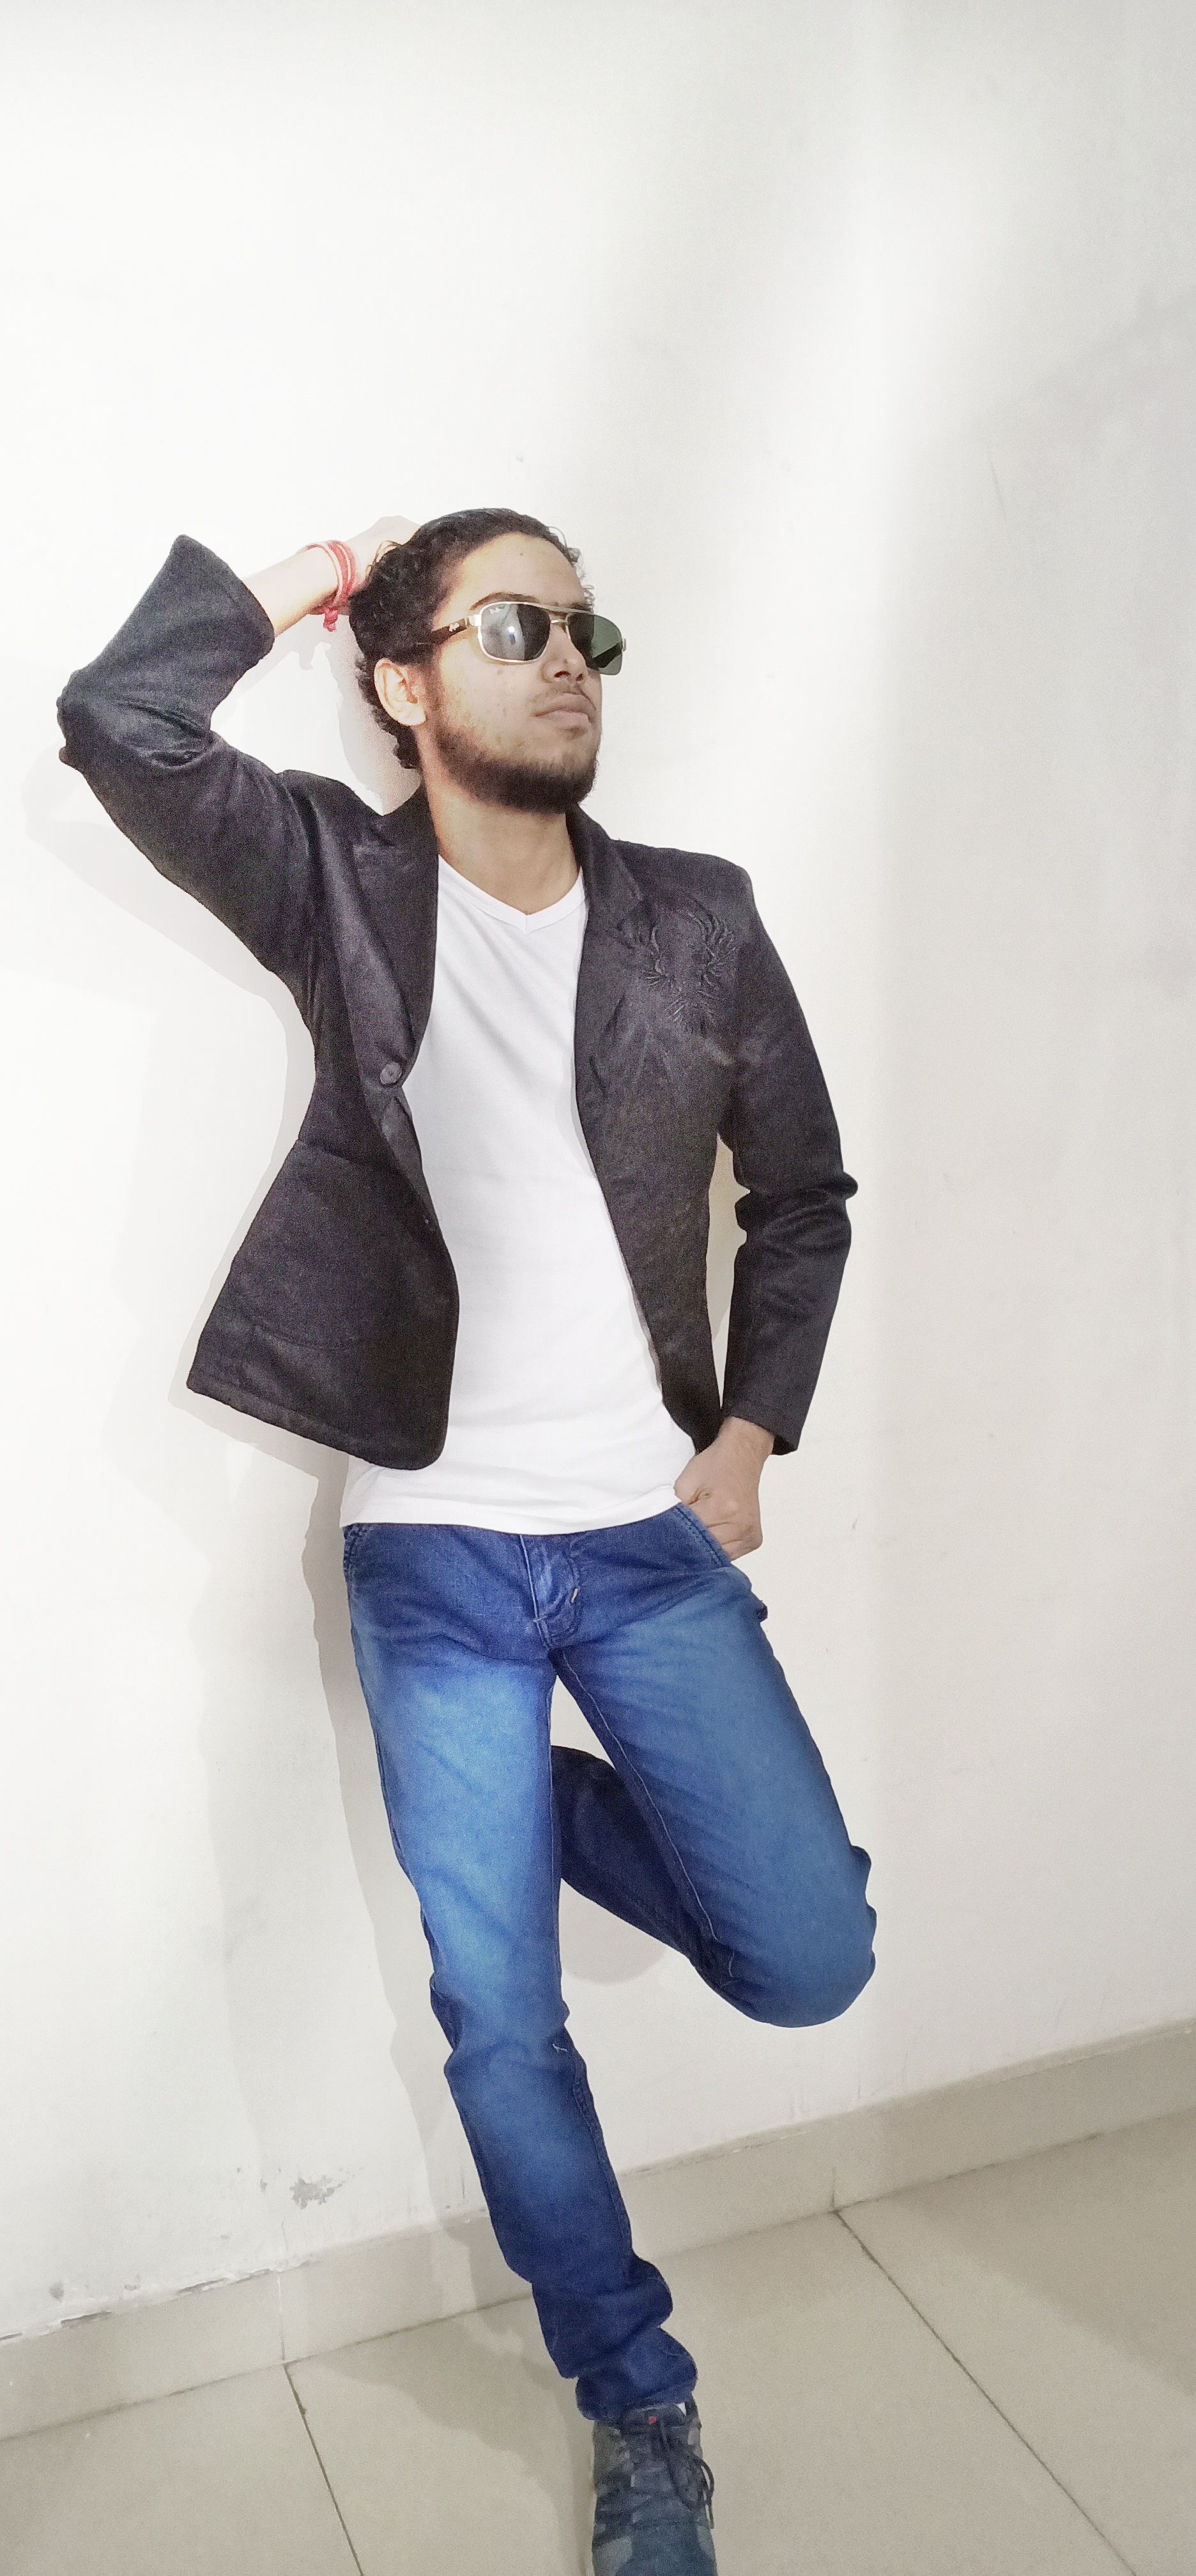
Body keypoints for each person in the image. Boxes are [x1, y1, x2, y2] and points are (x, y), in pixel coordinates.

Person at [57, 507, 876, 2575]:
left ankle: (538, 1813)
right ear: (408, 683)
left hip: (645, 1541)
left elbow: (804, 1196)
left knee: (808, 1954)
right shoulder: (337, 879)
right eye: (517, 625)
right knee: (503, 2021)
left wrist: (755, 1427)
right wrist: (303, 578)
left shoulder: (698, 920)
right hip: (434, 1556)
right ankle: (638, 2403)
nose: (571, 656)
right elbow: (120, 720)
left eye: (588, 625)